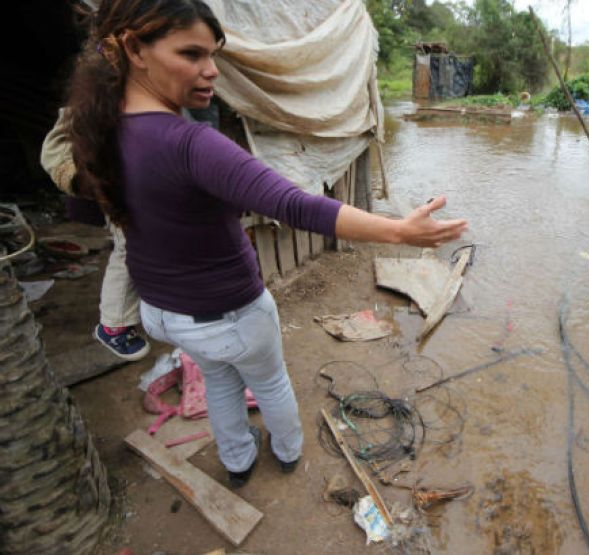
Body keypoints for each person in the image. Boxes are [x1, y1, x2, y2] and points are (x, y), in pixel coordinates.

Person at [64, 0, 467, 487]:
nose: (211, 71)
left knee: (217, 378)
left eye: (213, 54)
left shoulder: (96, 133)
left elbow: (88, 212)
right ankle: (289, 451)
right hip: (230, 312)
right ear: (133, 48)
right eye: (191, 54)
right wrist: (399, 231)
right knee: (270, 380)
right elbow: (295, 205)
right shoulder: (192, 144)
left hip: (165, 315)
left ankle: (237, 461)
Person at [41, 109, 151, 361]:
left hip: (134, 181)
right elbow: (56, 149)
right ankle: (114, 324)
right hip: (116, 185)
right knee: (129, 246)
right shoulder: (96, 95)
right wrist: (88, 182)